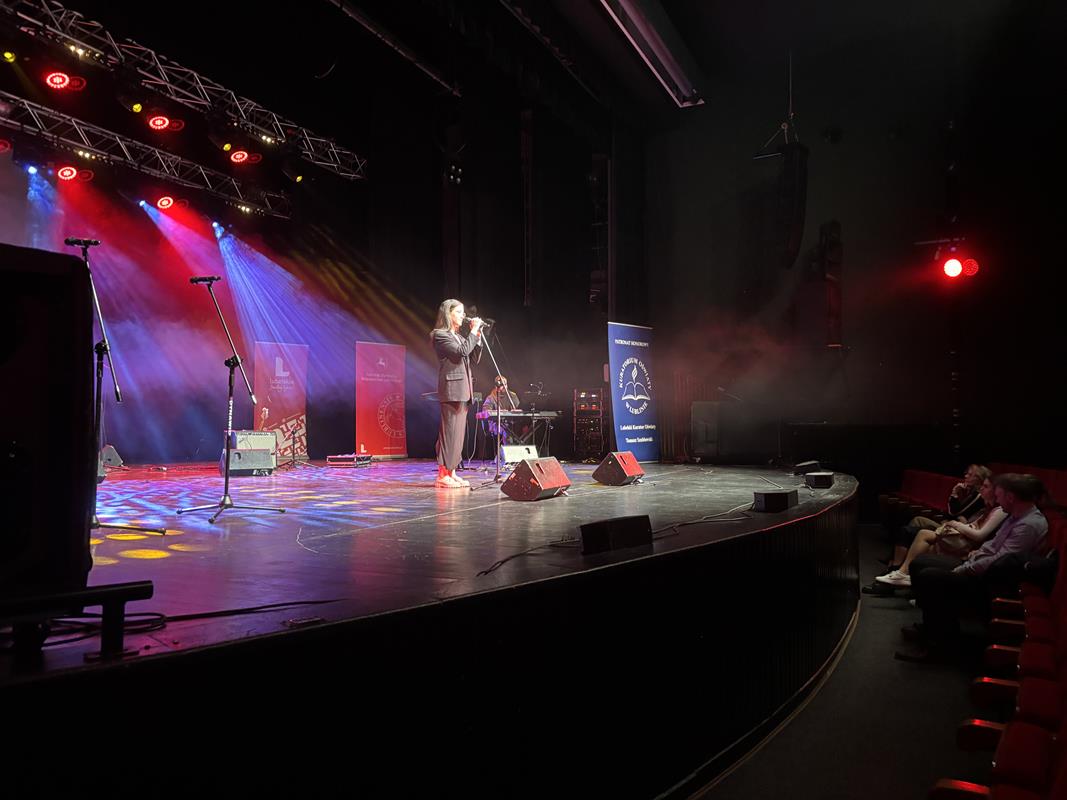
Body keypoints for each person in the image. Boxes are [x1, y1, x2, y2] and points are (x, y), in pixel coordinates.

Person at [895, 473, 1048, 662]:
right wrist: (976, 555)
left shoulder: (1029, 525)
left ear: (1010, 497)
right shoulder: (1016, 516)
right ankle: (932, 626)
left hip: (992, 583)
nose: (997, 500)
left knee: (930, 576)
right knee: (920, 562)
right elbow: (992, 546)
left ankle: (939, 644)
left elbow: (999, 561)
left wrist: (965, 568)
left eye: (999, 495)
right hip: (983, 569)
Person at [875, 476, 1006, 587]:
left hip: (968, 544)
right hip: (961, 536)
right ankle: (902, 575)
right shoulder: (986, 506)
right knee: (921, 535)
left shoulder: (995, 508)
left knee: (923, 534)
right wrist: (954, 496)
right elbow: (954, 513)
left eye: (986, 486)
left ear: (996, 491)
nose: (981, 488)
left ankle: (901, 573)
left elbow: (978, 534)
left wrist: (957, 524)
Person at [885, 464, 991, 570]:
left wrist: (954, 495)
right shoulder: (968, 492)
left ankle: (897, 564)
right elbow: (951, 513)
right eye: (967, 473)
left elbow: (955, 512)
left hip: (954, 531)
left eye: (971, 475)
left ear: (979, 479)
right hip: (949, 524)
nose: (966, 476)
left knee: (911, 530)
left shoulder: (978, 496)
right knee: (917, 520)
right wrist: (955, 504)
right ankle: (897, 560)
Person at [431, 299, 484, 489]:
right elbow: (461, 352)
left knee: (458, 434)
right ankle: (442, 474)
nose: (463, 316)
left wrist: (477, 335)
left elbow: (473, 357)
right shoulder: (440, 335)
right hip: (452, 389)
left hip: (463, 389)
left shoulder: (460, 337)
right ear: (449, 313)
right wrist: (472, 331)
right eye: (459, 312)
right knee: (449, 432)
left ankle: (451, 472)